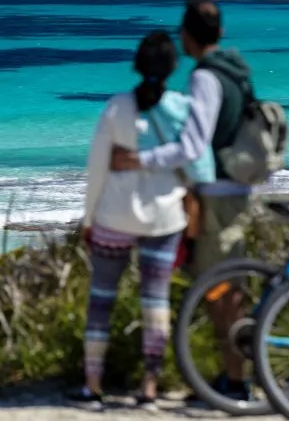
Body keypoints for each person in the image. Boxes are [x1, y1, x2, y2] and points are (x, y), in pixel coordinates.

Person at [110, 0, 255, 402]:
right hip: (237, 188)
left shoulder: (205, 77)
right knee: (229, 287)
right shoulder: (236, 69)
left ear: (187, 36)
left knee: (215, 289)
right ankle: (234, 376)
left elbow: (193, 145)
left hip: (217, 192)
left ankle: (236, 381)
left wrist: (141, 160)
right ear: (221, 32)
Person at [68, 30, 214, 412]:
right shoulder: (182, 106)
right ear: (172, 67)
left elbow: (97, 168)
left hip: (114, 215)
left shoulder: (117, 107)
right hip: (164, 218)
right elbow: (196, 161)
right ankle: (149, 387)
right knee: (155, 301)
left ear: (137, 65)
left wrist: (88, 217)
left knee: (101, 300)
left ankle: (93, 384)